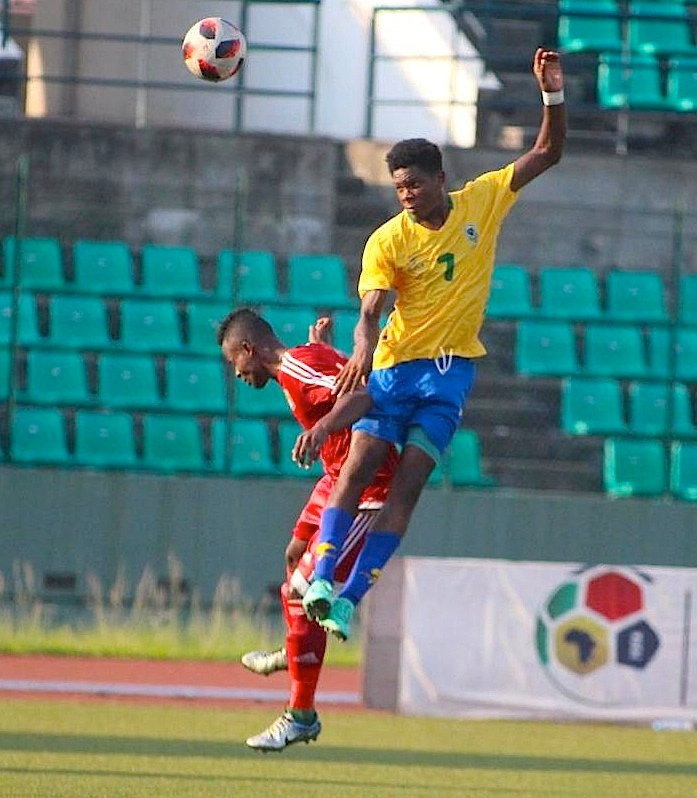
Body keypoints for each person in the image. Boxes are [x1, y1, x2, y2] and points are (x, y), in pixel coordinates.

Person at [295, 48, 566, 641]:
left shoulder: (482, 202)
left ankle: (348, 598)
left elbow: (547, 152)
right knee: (358, 467)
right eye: (398, 188)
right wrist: (363, 345)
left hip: (448, 378)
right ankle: (320, 576)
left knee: (408, 489)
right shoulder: (387, 239)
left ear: (442, 180)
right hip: (393, 372)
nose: (407, 196)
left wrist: (552, 96)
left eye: (415, 184)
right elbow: (370, 309)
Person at [217, 309, 397, 752]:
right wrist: (324, 346)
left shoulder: (298, 368)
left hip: (365, 490)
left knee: (302, 592)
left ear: (248, 350)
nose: (235, 374)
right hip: (334, 479)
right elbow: (337, 377)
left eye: (232, 363)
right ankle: (296, 652)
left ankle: (301, 715)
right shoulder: (300, 361)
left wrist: (320, 428)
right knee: (295, 556)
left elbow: (365, 397)